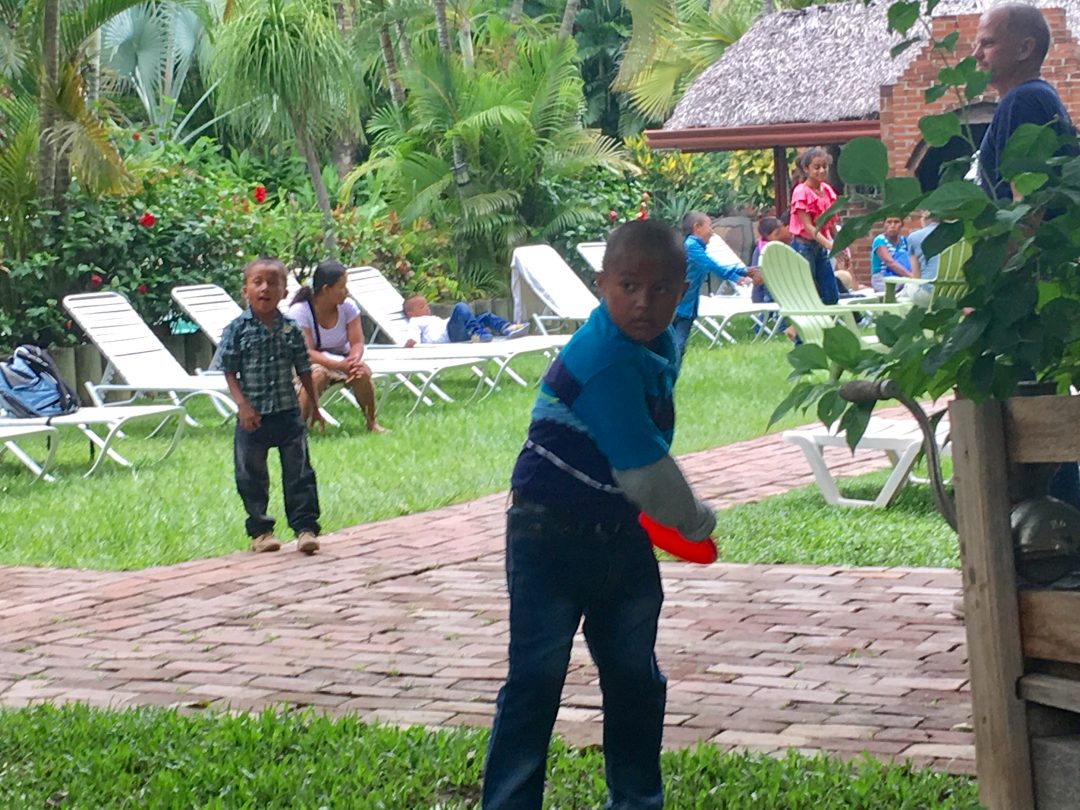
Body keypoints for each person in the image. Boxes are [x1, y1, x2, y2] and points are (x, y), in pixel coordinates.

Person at [482, 219, 716, 810]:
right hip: (548, 535)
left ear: (682, 290)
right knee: (536, 681)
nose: (643, 302)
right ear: (601, 285)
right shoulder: (605, 356)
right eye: (628, 286)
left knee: (636, 679)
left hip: (619, 534)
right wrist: (694, 521)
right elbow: (643, 469)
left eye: (661, 289)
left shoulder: (653, 346)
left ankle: (636, 800)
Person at [218, 257, 326, 555]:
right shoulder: (237, 329)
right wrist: (242, 406)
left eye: (272, 283)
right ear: (246, 291)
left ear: (284, 292)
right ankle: (261, 532)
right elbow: (229, 371)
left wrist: (315, 406)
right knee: (250, 474)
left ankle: (305, 528)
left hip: (287, 412)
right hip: (253, 417)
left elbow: (303, 369)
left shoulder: (291, 329)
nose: (265, 288)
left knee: (299, 472)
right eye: (258, 282)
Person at [972, 4, 1078, 201]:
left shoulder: (1022, 100)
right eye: (976, 45)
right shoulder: (1039, 95)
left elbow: (1028, 203)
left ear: (1024, 49)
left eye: (987, 43)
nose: (976, 54)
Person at [287, 260, 386, 433]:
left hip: (341, 361)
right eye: (342, 287)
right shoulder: (300, 311)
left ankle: (371, 423)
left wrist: (353, 360)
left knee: (361, 372)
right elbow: (306, 352)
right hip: (308, 364)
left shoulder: (348, 308)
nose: (346, 291)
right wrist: (338, 365)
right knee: (316, 375)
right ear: (326, 289)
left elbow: (357, 342)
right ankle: (297, 429)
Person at [674, 210, 752, 356]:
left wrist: (742, 272)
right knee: (677, 345)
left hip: (687, 305)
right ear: (697, 227)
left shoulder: (694, 246)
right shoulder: (691, 246)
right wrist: (739, 275)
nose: (712, 231)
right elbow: (710, 265)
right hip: (680, 306)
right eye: (709, 226)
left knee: (678, 344)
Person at [788, 148, 845, 305]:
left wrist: (840, 246)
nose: (822, 171)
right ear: (806, 169)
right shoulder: (801, 192)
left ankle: (828, 319)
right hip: (803, 247)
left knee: (831, 294)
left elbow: (831, 222)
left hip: (820, 247)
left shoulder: (827, 190)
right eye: (817, 167)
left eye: (824, 166)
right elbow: (808, 226)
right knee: (807, 292)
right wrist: (830, 245)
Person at [402, 296, 528, 345]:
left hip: (458, 331)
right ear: (410, 313)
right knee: (460, 307)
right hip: (451, 335)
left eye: (426, 305)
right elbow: (413, 338)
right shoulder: (415, 321)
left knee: (485, 316)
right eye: (421, 307)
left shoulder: (431, 319)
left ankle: (506, 328)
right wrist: (410, 343)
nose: (427, 308)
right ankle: (477, 333)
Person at [869, 216, 913, 293]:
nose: (892, 225)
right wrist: (911, 276)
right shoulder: (880, 240)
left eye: (896, 222)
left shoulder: (904, 241)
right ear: (884, 225)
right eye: (889, 222)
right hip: (882, 278)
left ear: (902, 224)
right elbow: (889, 262)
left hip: (902, 277)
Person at [906, 211, 939, 307]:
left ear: (924, 218)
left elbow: (916, 275)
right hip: (957, 292)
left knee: (908, 285)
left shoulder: (914, 237)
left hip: (928, 295)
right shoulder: (957, 235)